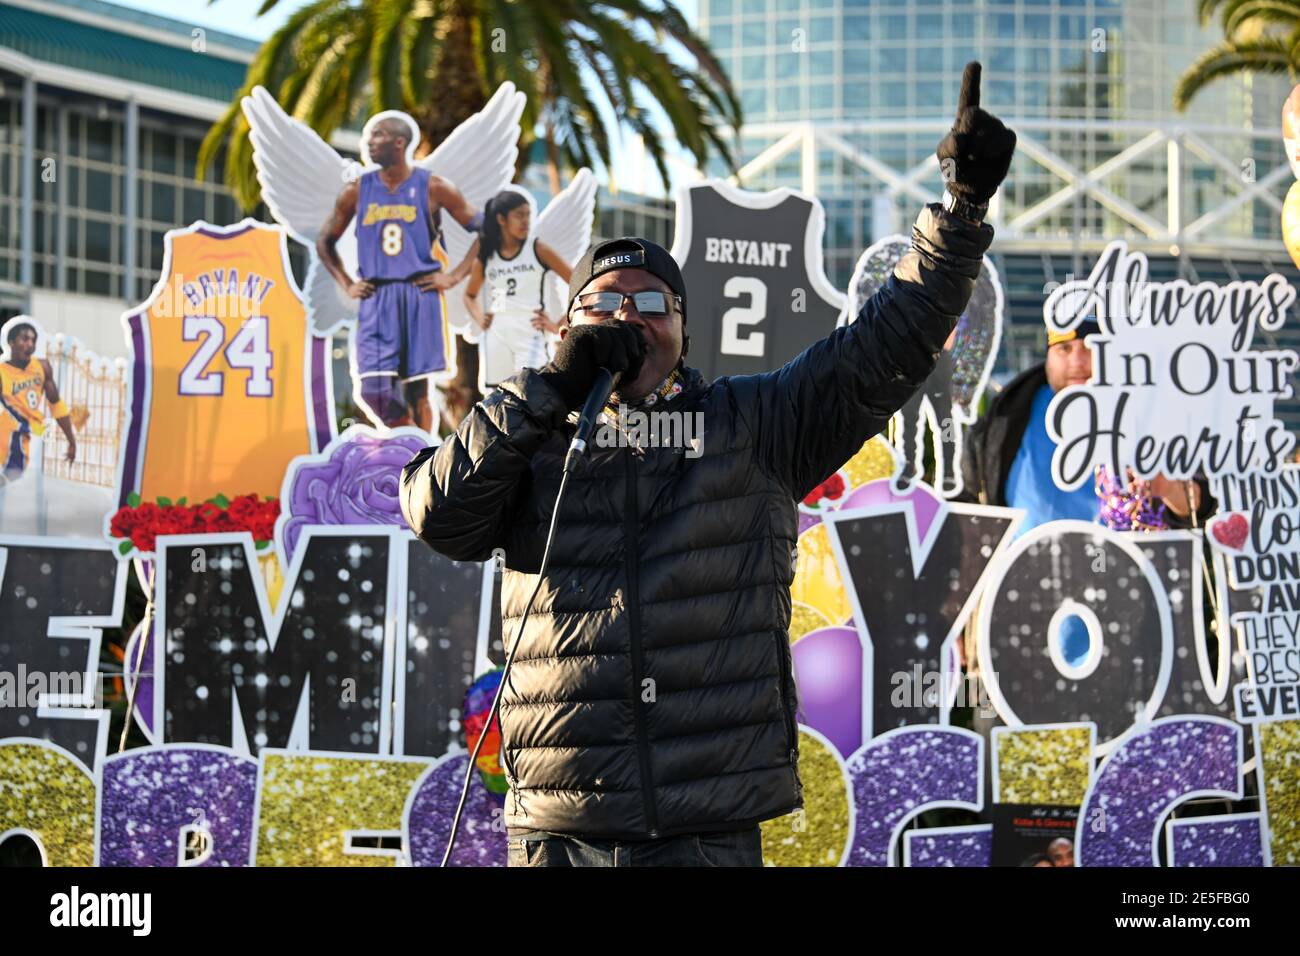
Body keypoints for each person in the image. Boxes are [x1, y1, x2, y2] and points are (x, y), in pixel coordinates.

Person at [401, 63, 1016, 867]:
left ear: (685, 333)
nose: (629, 316)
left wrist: (961, 214)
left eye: (652, 303)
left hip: (703, 831)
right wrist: (552, 388)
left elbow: (882, 350)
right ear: (567, 327)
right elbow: (437, 513)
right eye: (604, 303)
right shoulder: (529, 431)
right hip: (559, 831)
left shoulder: (751, 425)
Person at [317, 115, 481, 433]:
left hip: (419, 293)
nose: (368, 141)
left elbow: (483, 228)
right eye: (368, 135)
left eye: (377, 135)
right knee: (373, 390)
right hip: (376, 295)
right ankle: (404, 439)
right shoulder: (357, 191)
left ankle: (417, 460)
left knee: (418, 390)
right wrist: (347, 284)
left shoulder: (433, 186)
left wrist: (453, 276)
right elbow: (325, 240)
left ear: (399, 143)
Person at [463, 189, 572, 390]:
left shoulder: (538, 249)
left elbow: (578, 282)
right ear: (501, 219)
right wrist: (480, 318)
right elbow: (470, 295)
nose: (525, 221)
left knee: (532, 396)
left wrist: (558, 325)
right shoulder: (487, 255)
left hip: (529, 335)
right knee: (495, 403)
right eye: (519, 215)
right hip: (497, 334)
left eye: (528, 215)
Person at [0, 322, 76, 485]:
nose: (30, 345)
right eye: (24, 339)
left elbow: (56, 404)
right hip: (11, 433)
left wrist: (71, 440)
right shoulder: (2, 372)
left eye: (33, 341)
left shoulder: (42, 366)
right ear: (11, 343)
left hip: (35, 432)